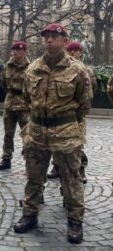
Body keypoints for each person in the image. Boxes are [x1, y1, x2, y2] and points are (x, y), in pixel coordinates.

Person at [14, 23, 92, 244]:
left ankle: (75, 221)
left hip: (66, 131)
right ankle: (30, 214)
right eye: (46, 37)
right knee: (33, 175)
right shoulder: (33, 69)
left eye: (54, 37)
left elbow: (84, 103)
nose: (49, 40)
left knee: (71, 177)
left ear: (64, 41)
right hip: (37, 130)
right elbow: (26, 98)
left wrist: (68, 122)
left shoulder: (77, 70)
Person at [47, 40, 95, 184]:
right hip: (59, 115)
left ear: (80, 52)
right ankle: (56, 166)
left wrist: (79, 114)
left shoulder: (86, 70)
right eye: (70, 50)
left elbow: (90, 92)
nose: (73, 53)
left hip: (76, 115)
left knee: (77, 144)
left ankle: (81, 168)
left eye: (76, 50)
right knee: (56, 141)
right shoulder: (58, 69)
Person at [0, 41, 30, 170]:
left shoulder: (30, 67)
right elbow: (3, 82)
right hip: (10, 104)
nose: (15, 53)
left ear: (24, 52)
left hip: (24, 105)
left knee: (27, 134)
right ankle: (6, 158)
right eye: (14, 50)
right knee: (8, 134)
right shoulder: (8, 66)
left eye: (18, 51)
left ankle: (29, 159)